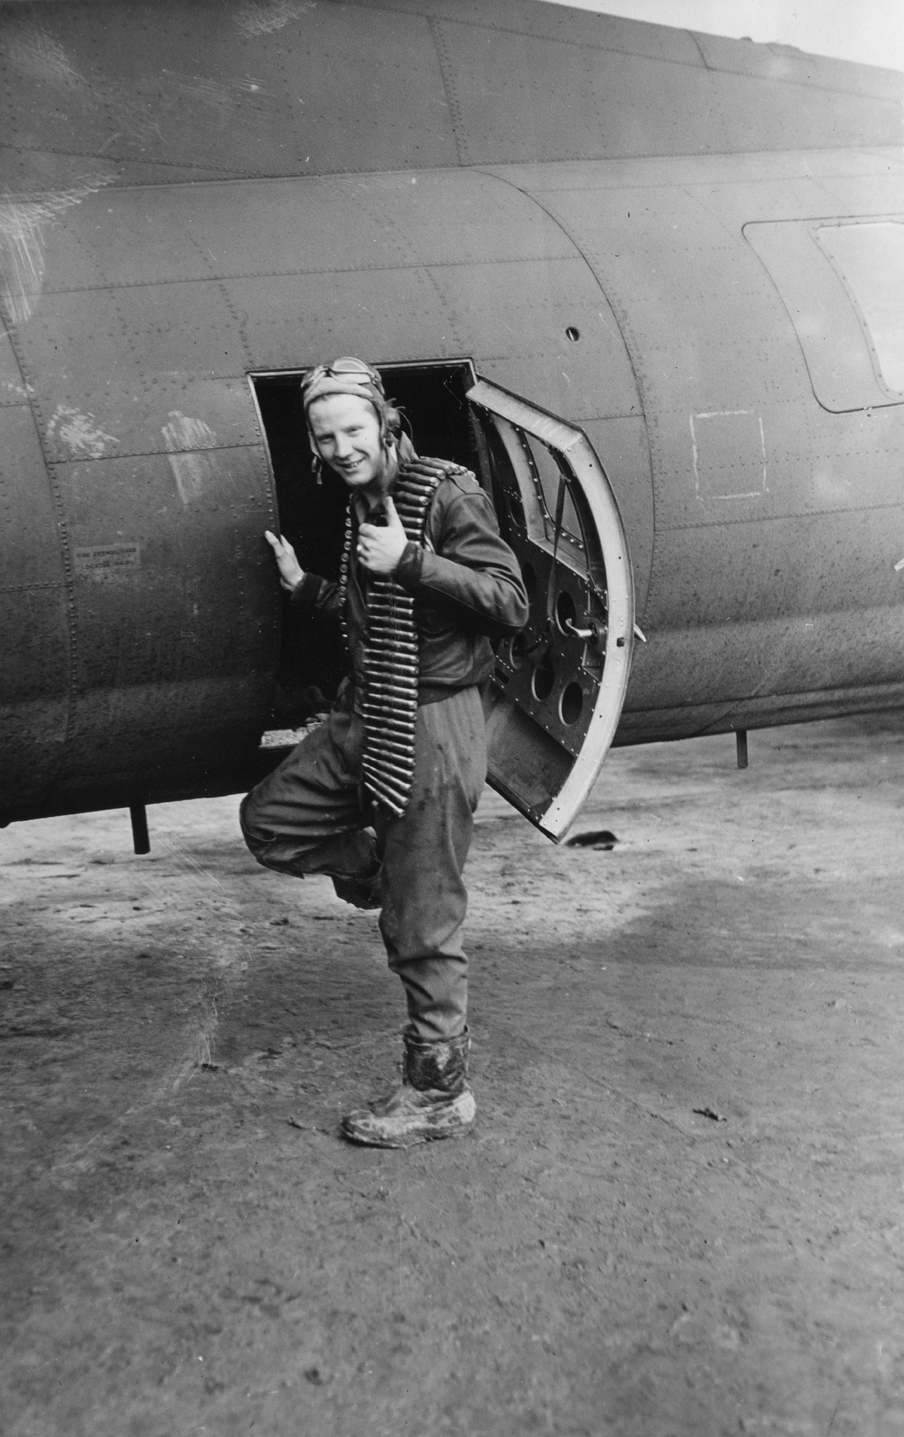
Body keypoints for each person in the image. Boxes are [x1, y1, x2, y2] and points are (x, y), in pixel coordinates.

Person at [239, 358, 528, 1148]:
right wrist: (308, 587)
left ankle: (439, 1091)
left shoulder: (443, 492)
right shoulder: (361, 501)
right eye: (325, 436)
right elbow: (377, 614)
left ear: (385, 421)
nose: (340, 447)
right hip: (369, 711)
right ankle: (375, 863)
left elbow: (509, 600)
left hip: (434, 726)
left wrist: (411, 559)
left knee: (422, 923)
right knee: (269, 822)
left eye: (354, 430)